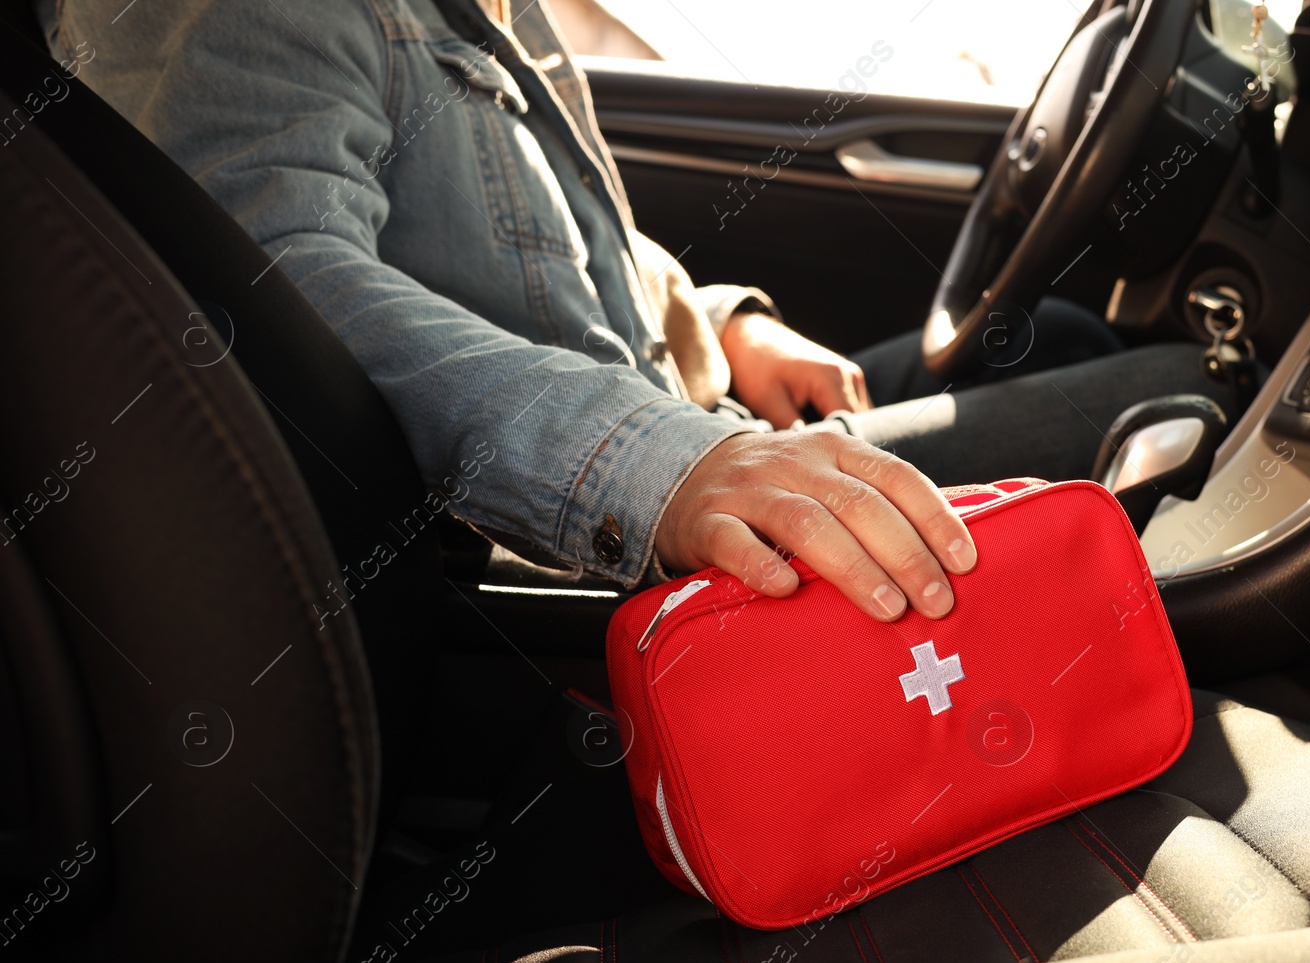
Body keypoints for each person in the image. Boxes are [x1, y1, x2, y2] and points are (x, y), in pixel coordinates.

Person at [40, 0, 1235, 622]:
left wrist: (729, 322)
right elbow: (268, 287)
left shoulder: (490, 17)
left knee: (1073, 338)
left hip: (675, 416)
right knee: (1169, 390)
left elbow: (574, 245)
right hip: (576, 541)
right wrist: (661, 465)